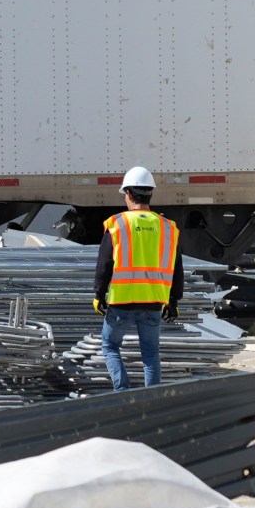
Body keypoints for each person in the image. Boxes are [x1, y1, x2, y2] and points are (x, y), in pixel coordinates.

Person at [94, 165, 183, 390]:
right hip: (154, 302)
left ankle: (122, 392)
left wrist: (98, 294)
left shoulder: (117, 223)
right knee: (151, 354)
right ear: (150, 194)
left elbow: (104, 264)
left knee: (110, 346)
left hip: (122, 301)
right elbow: (176, 267)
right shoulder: (168, 228)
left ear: (129, 195)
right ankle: (152, 401)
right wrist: (173, 301)